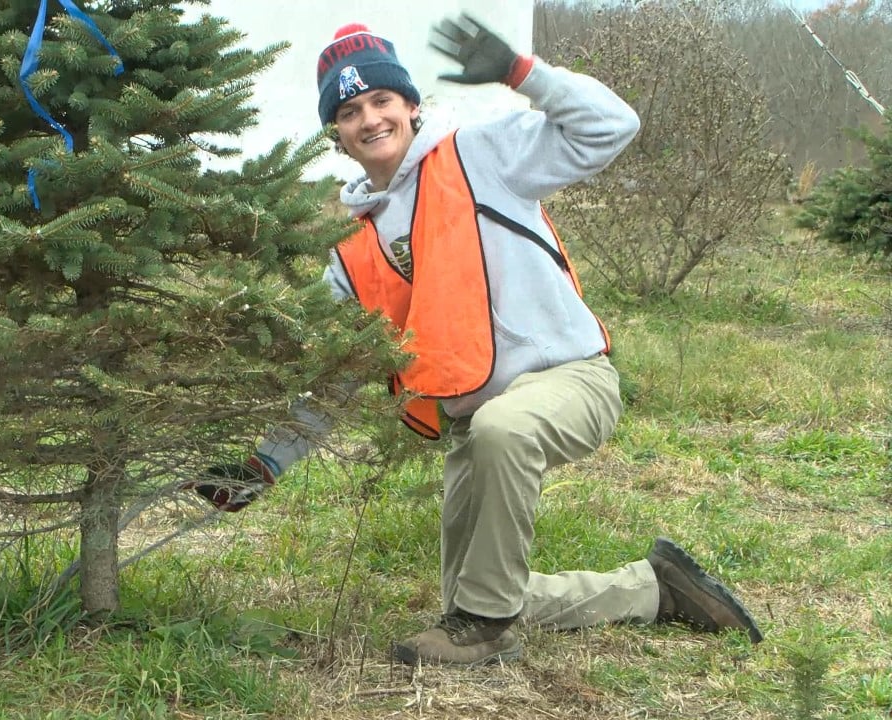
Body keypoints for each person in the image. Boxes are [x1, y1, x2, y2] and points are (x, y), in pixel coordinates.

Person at [194, 12, 763, 667]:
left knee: (500, 461)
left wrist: (522, 73)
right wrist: (263, 466)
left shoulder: (479, 154)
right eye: (349, 110)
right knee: (472, 584)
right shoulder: (349, 254)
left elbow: (613, 126)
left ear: (410, 106)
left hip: (570, 380)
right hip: (473, 422)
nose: (370, 118)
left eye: (382, 100)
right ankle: (653, 590)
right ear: (337, 133)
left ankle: (484, 632)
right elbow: (337, 376)